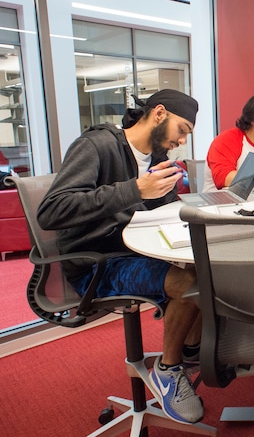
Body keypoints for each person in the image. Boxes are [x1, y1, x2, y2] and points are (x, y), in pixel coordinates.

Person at [37, 89, 205, 425]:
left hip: (135, 249)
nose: (182, 141)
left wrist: (181, 205)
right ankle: (169, 370)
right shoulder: (97, 145)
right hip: (97, 262)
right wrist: (136, 190)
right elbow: (51, 212)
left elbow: (159, 209)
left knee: (208, 267)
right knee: (190, 281)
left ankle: (192, 352)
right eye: (182, 129)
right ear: (159, 113)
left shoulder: (156, 158)